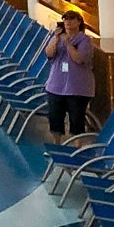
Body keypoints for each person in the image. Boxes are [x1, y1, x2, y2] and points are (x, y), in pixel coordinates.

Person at [43, 8, 97, 136]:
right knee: (55, 117)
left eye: (71, 19)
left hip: (78, 87)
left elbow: (79, 58)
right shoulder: (57, 37)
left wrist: (68, 43)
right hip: (56, 85)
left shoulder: (85, 40)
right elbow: (49, 53)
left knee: (76, 119)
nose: (67, 22)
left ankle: (77, 146)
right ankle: (57, 144)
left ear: (79, 22)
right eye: (65, 19)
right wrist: (56, 39)